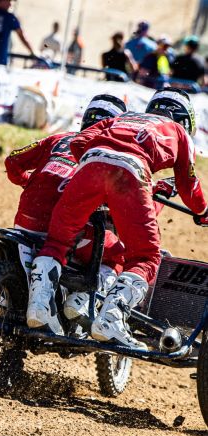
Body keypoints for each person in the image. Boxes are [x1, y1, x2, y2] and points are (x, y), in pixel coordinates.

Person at [26, 88, 207, 350]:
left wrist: (97, 173)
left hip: (90, 165)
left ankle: (39, 306)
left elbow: (79, 141)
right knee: (145, 257)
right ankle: (111, 318)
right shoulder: (179, 133)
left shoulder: (122, 118)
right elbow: (188, 184)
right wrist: (202, 212)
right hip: (131, 171)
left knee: (57, 242)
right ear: (186, 120)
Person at [5, 94, 128, 325]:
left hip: (25, 221)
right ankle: (81, 300)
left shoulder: (58, 138)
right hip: (65, 229)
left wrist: (29, 182)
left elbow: (12, 162)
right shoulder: (110, 155)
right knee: (118, 254)